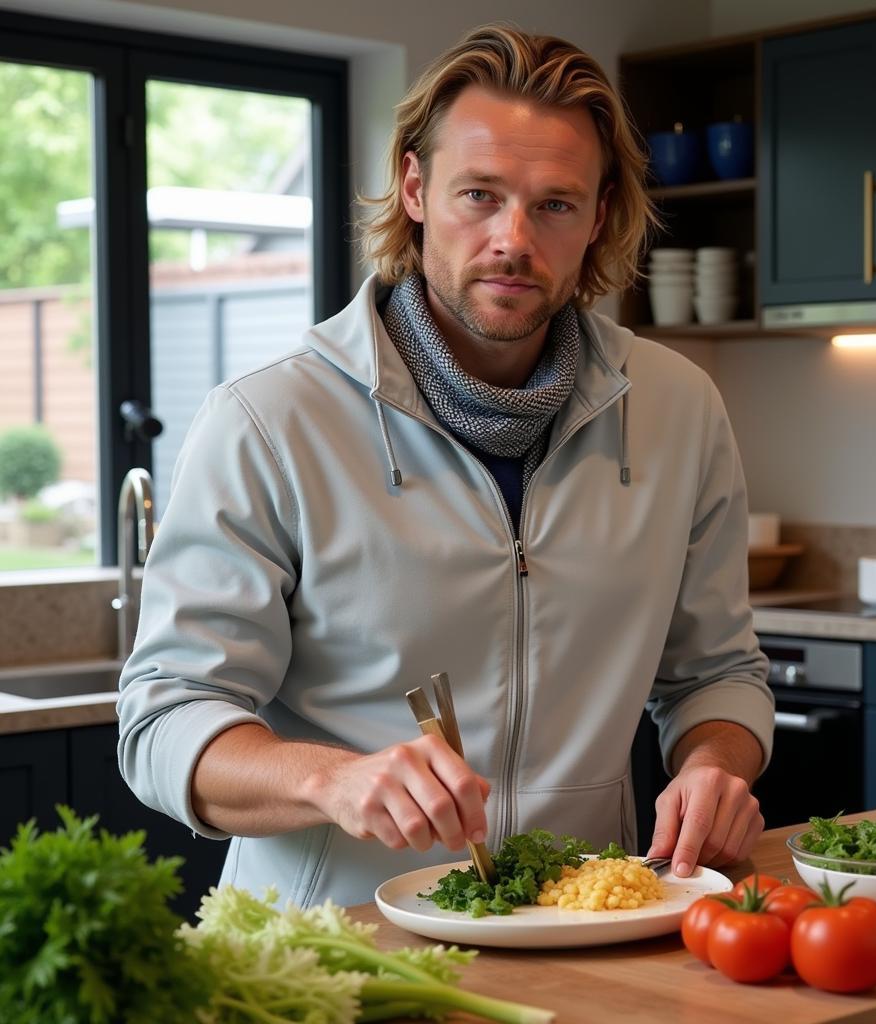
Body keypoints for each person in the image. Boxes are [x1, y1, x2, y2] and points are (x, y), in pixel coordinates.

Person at [117, 23, 774, 909]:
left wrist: (716, 765)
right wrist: (332, 781)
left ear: (601, 215)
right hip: (330, 951)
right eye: (480, 195)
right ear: (416, 188)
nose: (513, 239)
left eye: (555, 204)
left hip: (582, 929)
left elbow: (719, 674)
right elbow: (163, 720)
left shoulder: (679, 410)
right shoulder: (267, 421)